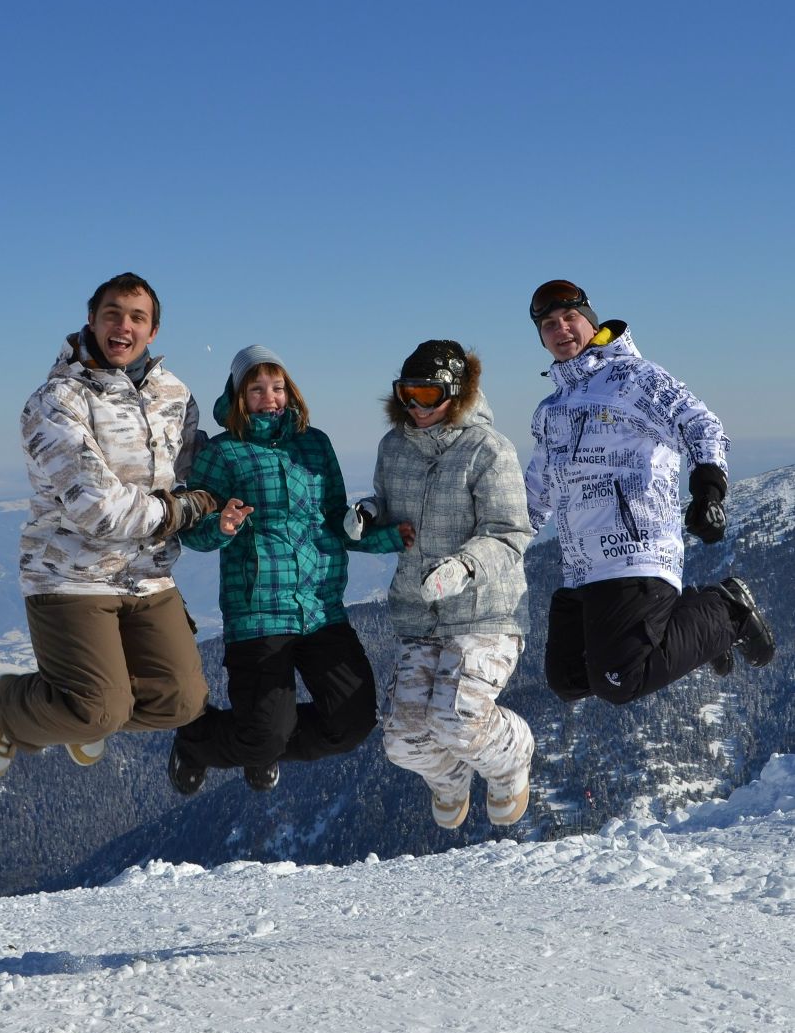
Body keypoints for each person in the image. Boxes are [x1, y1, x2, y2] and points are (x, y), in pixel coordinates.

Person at [0, 273, 218, 783]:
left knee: (184, 703)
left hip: (147, 575)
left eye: (137, 317)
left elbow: (196, 462)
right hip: (70, 575)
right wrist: (185, 510)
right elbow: (97, 510)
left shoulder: (174, 394)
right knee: (98, 710)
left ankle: (96, 701)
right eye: (112, 314)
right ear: (92, 320)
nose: (123, 326)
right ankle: (11, 705)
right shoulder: (56, 400)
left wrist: (245, 467)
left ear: (153, 331)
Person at [167, 345, 407, 796]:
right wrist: (220, 526)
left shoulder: (315, 444)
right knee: (263, 734)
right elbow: (193, 532)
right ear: (239, 396)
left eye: (277, 387)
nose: (270, 397)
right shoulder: (224, 454)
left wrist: (393, 538)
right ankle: (196, 742)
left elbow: (339, 520)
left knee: (352, 724)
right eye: (257, 389)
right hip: (257, 610)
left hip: (321, 609)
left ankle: (266, 750)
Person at [525, 279, 775, 707]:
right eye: (549, 323)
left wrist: (709, 491)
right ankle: (694, 628)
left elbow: (700, 425)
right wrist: (493, 544)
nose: (561, 328)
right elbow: (536, 492)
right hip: (581, 565)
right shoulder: (550, 411)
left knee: (622, 679)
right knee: (568, 679)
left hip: (634, 551)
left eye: (569, 318)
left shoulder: (634, 378)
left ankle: (725, 609)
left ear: (590, 321)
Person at [355, 339, 535, 830]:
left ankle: (512, 759)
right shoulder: (394, 447)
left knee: (457, 717)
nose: (416, 406)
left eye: (428, 395)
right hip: (419, 613)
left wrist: (463, 567)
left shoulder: (489, 450)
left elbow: (510, 533)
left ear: (455, 394)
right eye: (407, 393)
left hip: (486, 612)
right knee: (403, 737)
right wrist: (367, 518)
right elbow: (386, 504)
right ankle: (450, 779)